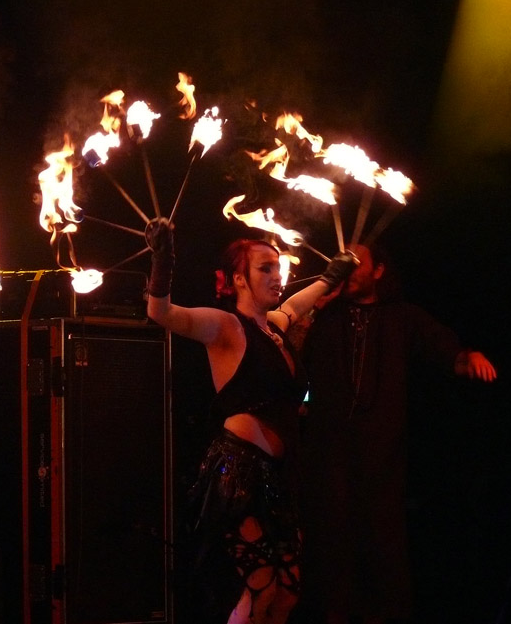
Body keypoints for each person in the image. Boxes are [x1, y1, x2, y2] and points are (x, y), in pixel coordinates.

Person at [144, 217, 359, 624]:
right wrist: (163, 260)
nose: (277, 276)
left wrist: (332, 275)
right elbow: (161, 312)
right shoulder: (224, 325)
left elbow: (298, 303)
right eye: (265, 268)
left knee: (288, 591)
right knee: (264, 587)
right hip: (237, 475)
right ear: (239, 280)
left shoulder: (274, 327)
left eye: (278, 268)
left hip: (277, 478)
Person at [298, 242, 497, 624]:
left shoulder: (402, 317)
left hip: (381, 458)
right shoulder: (326, 316)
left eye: (357, 263)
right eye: (345, 263)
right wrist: (317, 307)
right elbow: (289, 353)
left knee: (381, 550)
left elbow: (443, 349)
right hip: (330, 454)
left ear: (378, 271)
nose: (349, 269)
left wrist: (466, 357)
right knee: (332, 549)